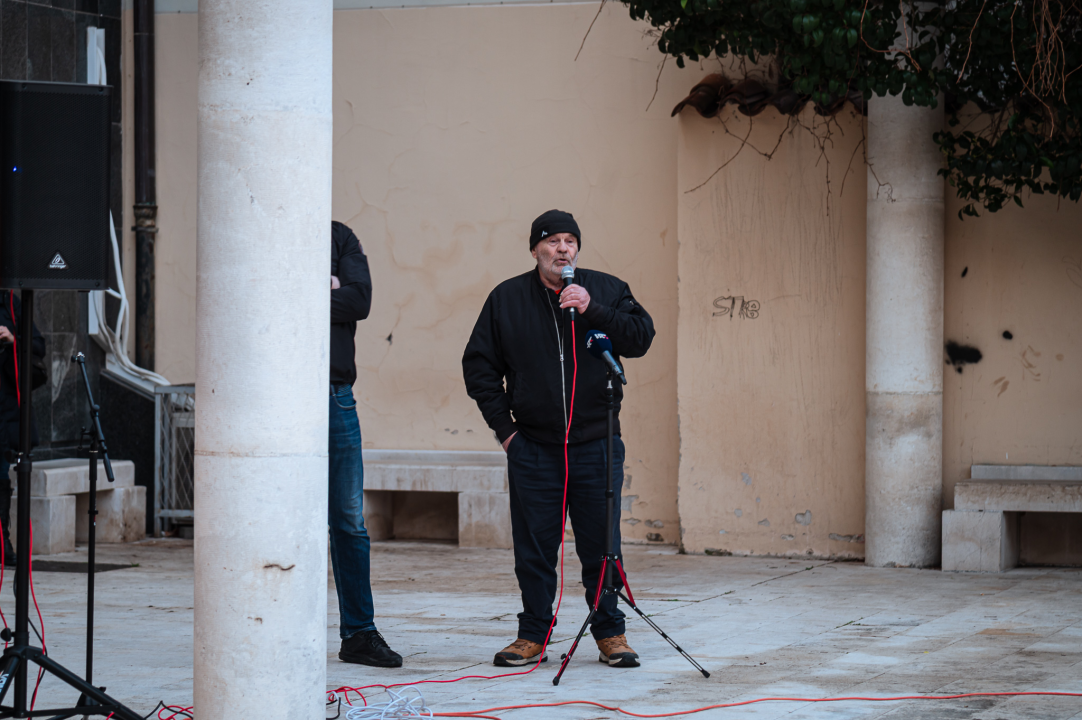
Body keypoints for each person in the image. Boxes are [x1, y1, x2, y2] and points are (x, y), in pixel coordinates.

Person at [462, 209, 655, 669]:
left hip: (597, 444)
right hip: (533, 447)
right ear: (535, 250)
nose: (562, 249)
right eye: (551, 241)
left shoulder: (605, 289)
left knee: (602, 545)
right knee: (534, 547)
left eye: (570, 241)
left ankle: (611, 633)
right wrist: (506, 432)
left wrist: (593, 309)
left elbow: (641, 337)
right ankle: (533, 634)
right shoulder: (507, 299)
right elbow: (479, 367)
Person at [329, 220, 402, 668]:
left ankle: (358, 633)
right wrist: (325, 288)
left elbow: (360, 300)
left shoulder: (339, 237)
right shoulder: (263, 224)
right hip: (272, 398)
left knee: (349, 520)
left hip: (334, 395)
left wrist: (298, 294)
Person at [0, 291, 45, 566]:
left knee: (0, 474)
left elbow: (37, 345)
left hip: (5, 409)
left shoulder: (11, 303)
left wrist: (11, 339)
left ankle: (2, 541)